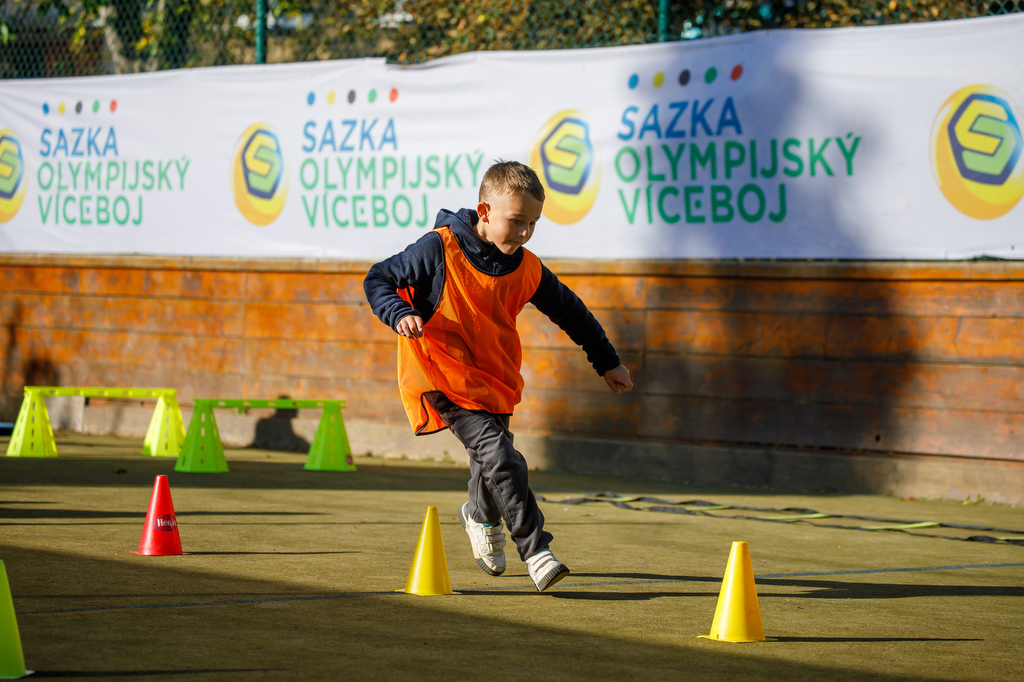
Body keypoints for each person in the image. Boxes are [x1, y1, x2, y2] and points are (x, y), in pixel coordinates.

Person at [363, 160, 633, 591]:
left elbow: (572, 313)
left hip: (494, 380)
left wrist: (607, 361)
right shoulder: (438, 248)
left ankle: (480, 517)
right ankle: (537, 551)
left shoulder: (528, 267)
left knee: (491, 466)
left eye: (533, 224)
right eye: (517, 221)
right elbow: (379, 277)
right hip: (443, 377)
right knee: (502, 458)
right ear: (484, 212)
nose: (524, 232)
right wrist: (399, 312)